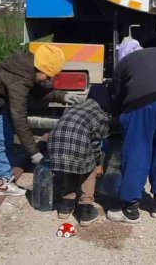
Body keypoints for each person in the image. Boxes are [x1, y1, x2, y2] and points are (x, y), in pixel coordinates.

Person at [0, 45, 66, 214]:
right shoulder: (19, 80)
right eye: (47, 75)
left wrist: (63, 96)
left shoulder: (29, 68)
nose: (47, 80)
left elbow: (38, 92)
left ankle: (1, 184)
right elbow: (19, 119)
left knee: (5, 141)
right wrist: (34, 153)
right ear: (40, 68)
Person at [106, 39, 156, 223]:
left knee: (137, 151)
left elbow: (116, 96)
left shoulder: (123, 64)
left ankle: (130, 209)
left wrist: (117, 116)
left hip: (142, 105)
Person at [48, 85, 112, 226]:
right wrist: (98, 163)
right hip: (77, 143)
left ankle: (65, 205)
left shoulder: (75, 107)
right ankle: (86, 209)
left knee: (71, 166)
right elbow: (96, 144)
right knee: (89, 171)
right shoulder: (101, 115)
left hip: (54, 144)